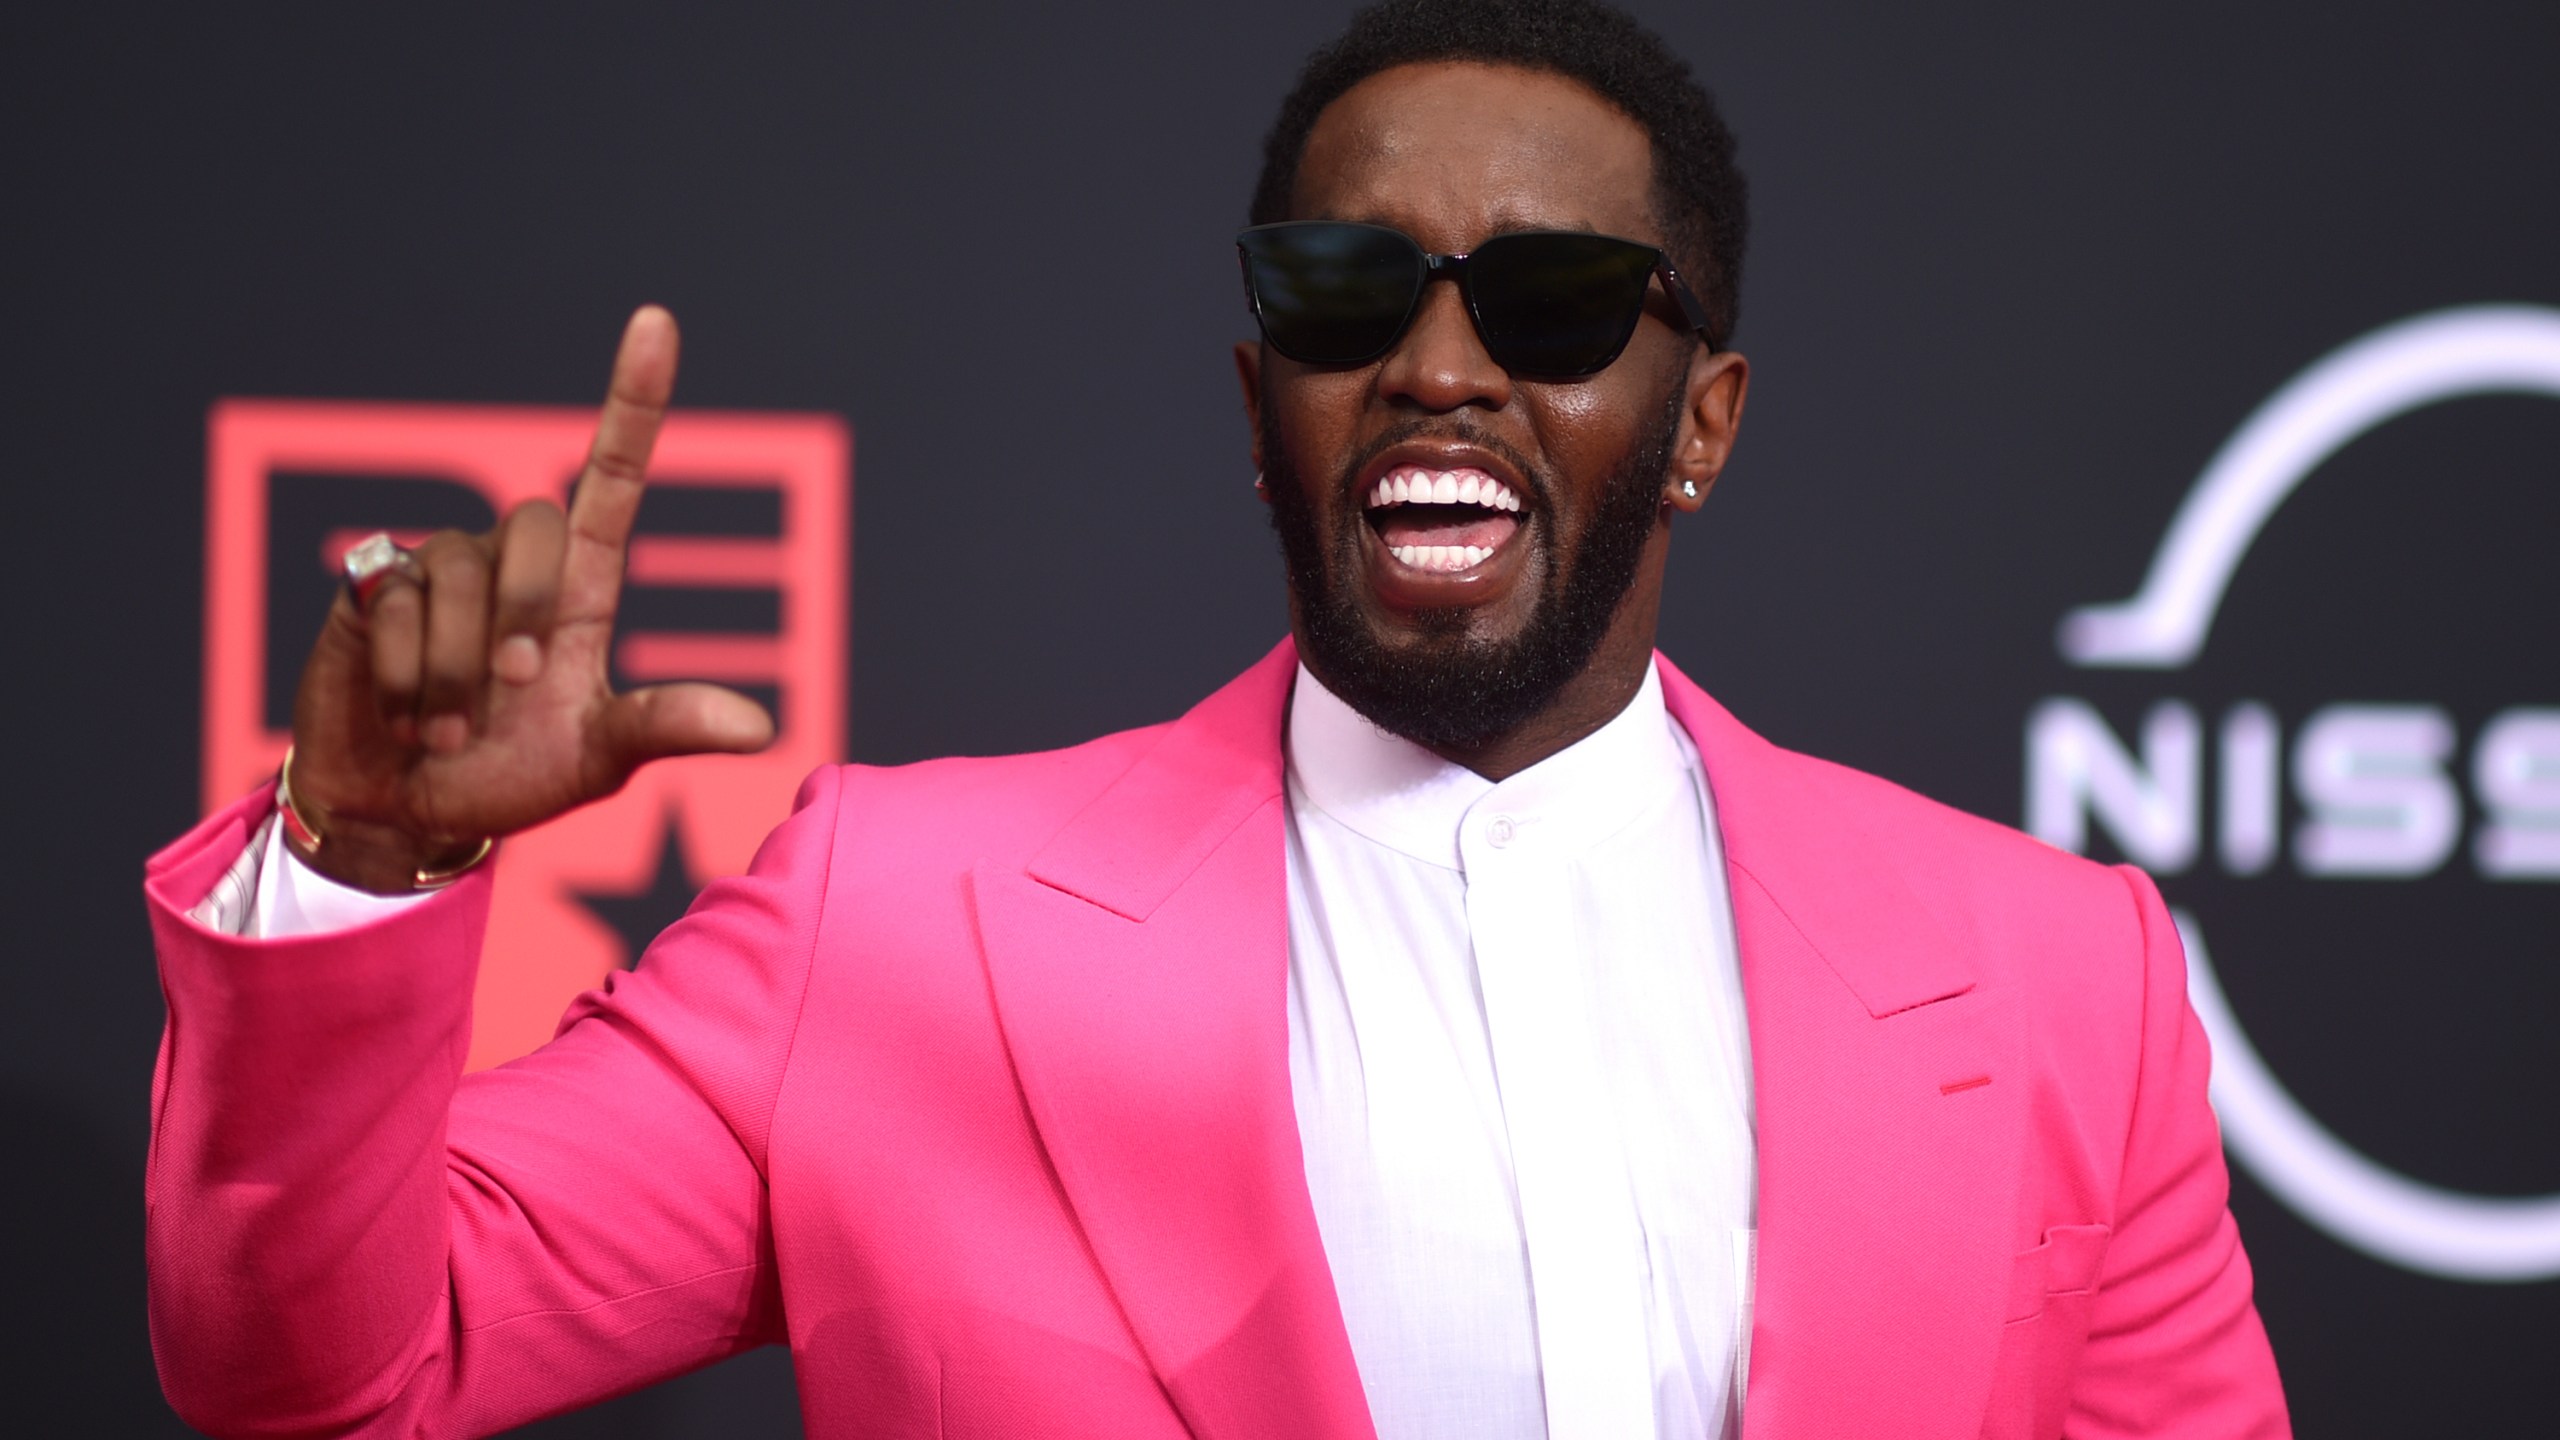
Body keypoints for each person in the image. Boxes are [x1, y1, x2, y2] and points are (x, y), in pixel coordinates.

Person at [141, 2, 2290, 1436]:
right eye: (1347, 293)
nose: (1437, 366)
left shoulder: (2046, 970)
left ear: (1701, 420)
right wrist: (361, 860)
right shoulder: (892, 920)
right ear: (1258, 398)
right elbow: (329, 1376)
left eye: (1546, 302)